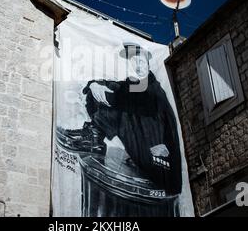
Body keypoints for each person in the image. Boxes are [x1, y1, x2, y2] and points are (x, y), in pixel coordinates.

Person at [57, 43, 182, 196]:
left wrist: (103, 94)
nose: (137, 66)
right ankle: (94, 138)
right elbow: (116, 87)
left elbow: (126, 98)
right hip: (145, 152)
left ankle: (93, 138)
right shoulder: (136, 85)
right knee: (100, 93)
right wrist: (94, 85)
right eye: (134, 62)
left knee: (121, 109)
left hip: (161, 164)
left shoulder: (154, 90)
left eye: (141, 62)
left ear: (148, 65)